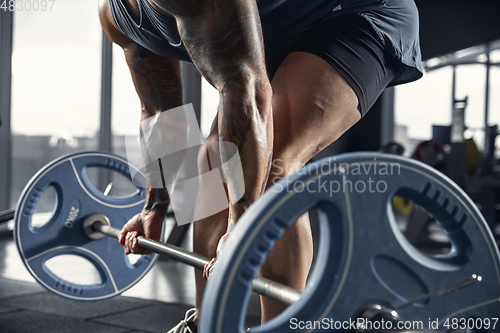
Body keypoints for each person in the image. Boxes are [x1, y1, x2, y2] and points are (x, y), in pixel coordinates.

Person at [98, 0, 423, 331]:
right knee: (211, 164)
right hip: (278, 35)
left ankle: (284, 327)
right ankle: (209, 323)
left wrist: (240, 229)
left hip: (356, 15)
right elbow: (160, 113)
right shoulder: (115, 15)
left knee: (273, 169)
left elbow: (247, 90)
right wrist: (155, 205)